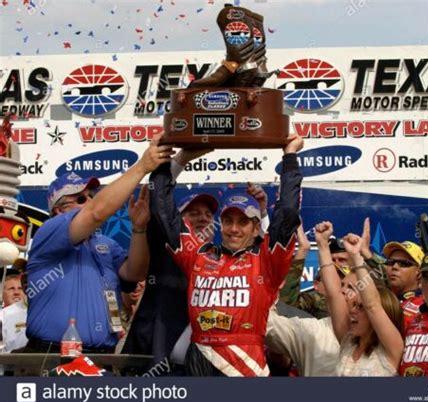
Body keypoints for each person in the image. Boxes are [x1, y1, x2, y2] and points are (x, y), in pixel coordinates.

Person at [150, 135, 303, 376]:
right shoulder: (199, 256)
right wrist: (164, 160)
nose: (233, 228)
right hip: (198, 354)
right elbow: (162, 211)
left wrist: (290, 156)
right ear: (220, 223)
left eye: (243, 222)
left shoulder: (266, 261)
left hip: (244, 362)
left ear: (256, 228)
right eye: (228, 220)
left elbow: (288, 211)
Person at [123, 147, 268, 374]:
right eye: (193, 214)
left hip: (209, 369)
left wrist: (261, 213)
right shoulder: (168, 249)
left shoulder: (226, 260)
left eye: (208, 215)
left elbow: (263, 257)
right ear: (178, 224)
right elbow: (160, 204)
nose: (202, 218)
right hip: (160, 368)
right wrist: (181, 159)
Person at [23, 137, 173, 353]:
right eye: (81, 199)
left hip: (102, 359)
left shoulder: (106, 243)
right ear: (58, 210)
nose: (90, 201)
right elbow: (96, 213)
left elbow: (135, 273)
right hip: (54, 358)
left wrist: (139, 228)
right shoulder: (49, 232)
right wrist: (142, 167)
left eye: (91, 196)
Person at [315, 220, 404, 376]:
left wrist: (356, 258)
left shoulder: (392, 348)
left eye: (361, 307)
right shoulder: (347, 341)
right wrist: (322, 245)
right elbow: (334, 293)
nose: (353, 310)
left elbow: (372, 304)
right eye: (355, 305)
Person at [383, 240, 425, 328]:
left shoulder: (425, 306)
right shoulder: (381, 299)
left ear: (419, 271)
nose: (394, 267)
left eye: (403, 263)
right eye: (390, 262)